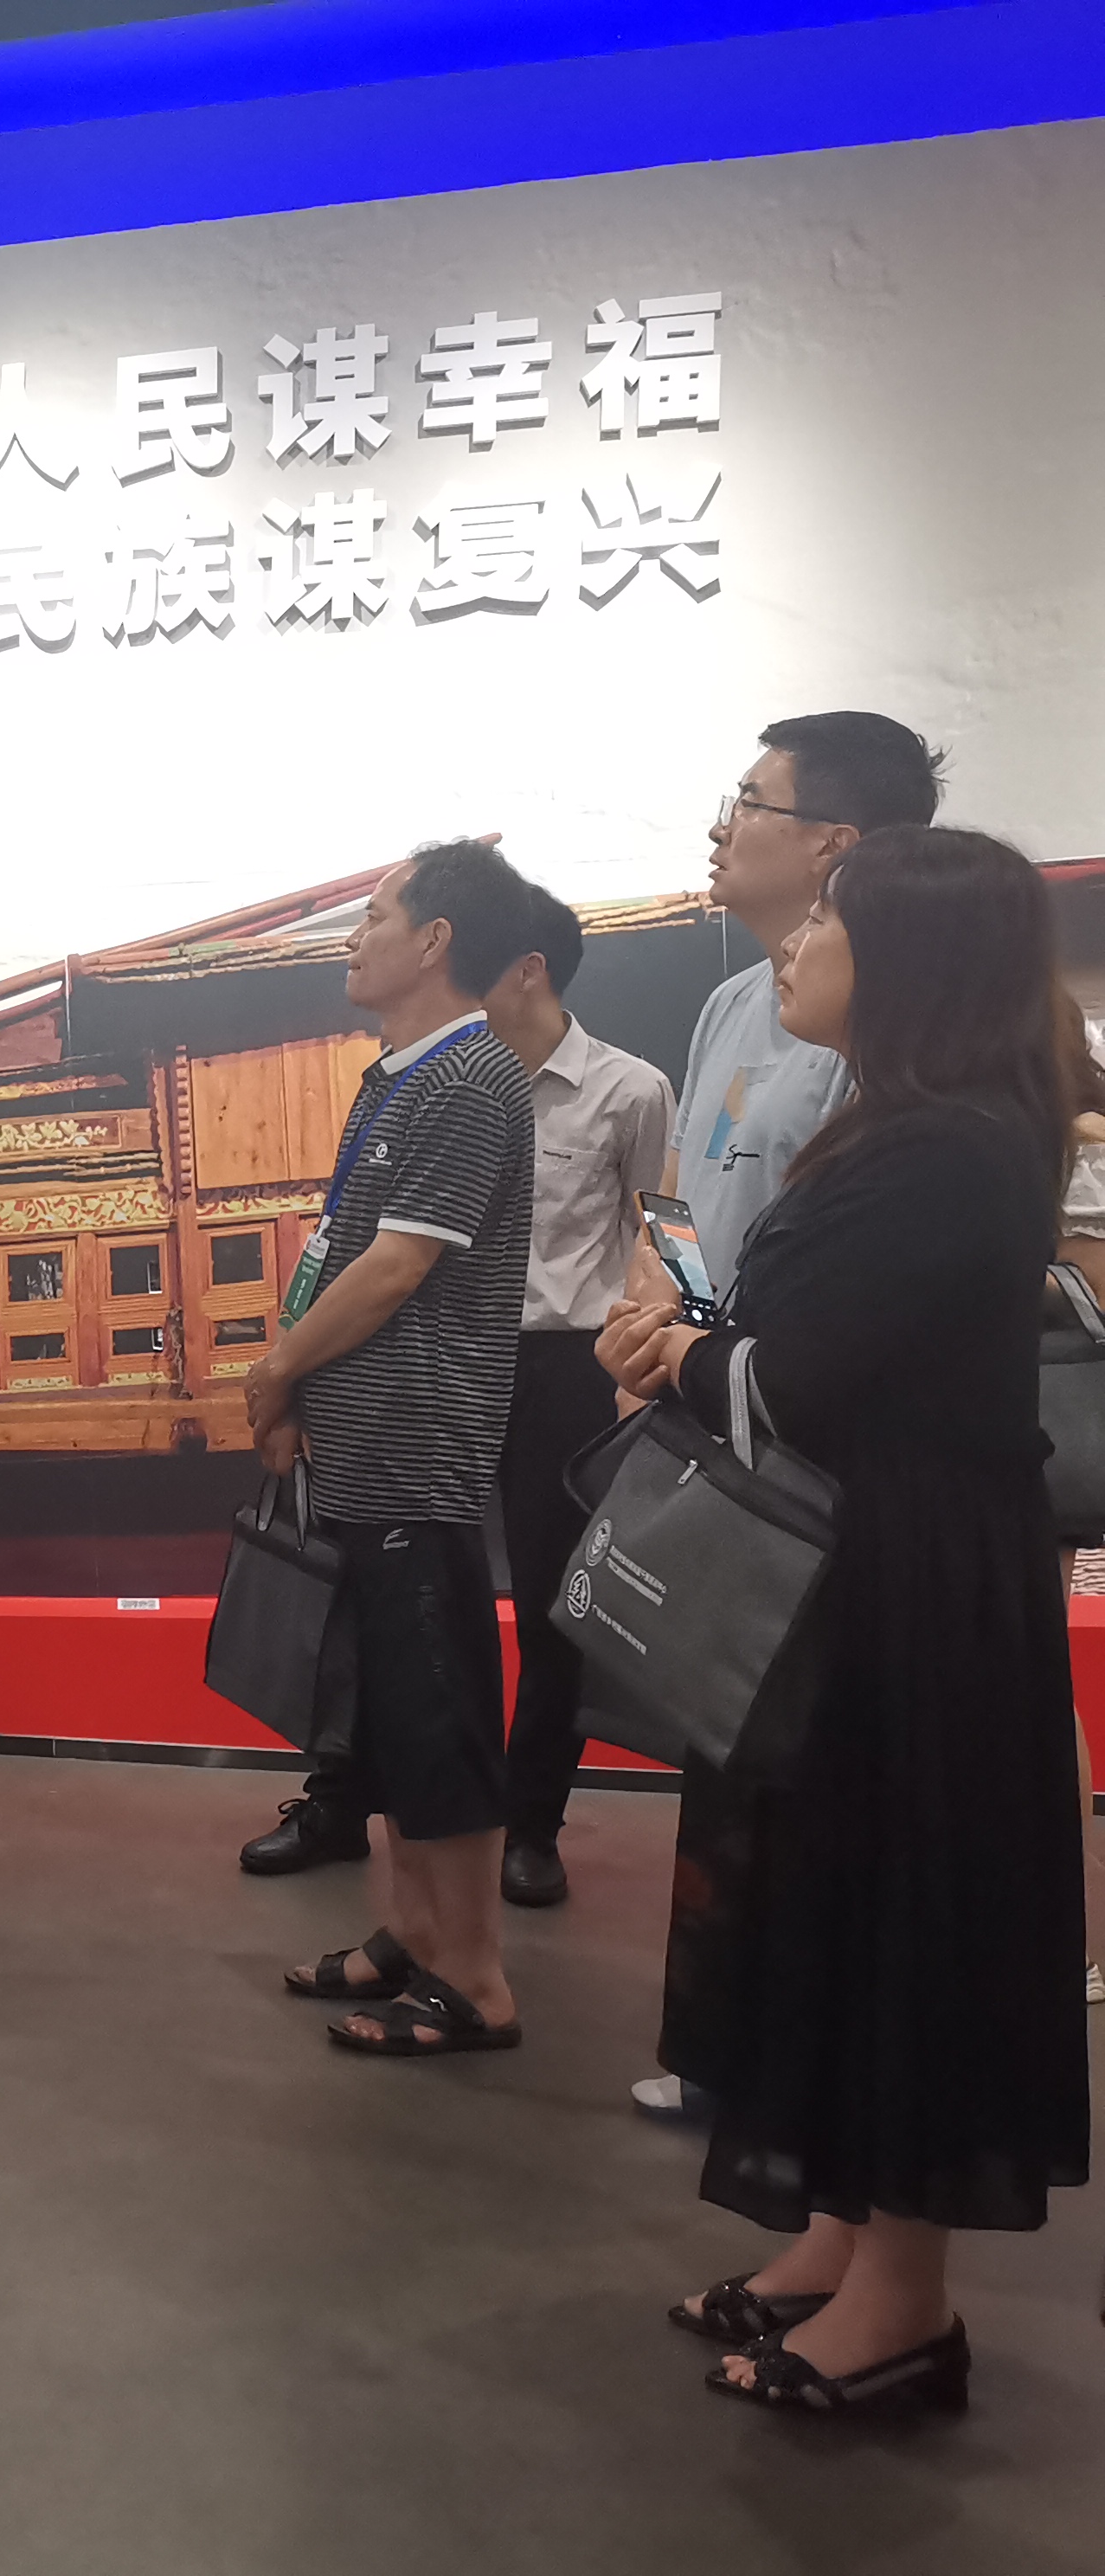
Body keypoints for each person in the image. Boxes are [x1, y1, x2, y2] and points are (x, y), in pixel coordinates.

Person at [602, 828, 1089, 2417]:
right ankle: (834, 2238)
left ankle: (904, 2306)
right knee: (825, 1902)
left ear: (913, 961)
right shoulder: (910, 1126)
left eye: (827, 920)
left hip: (907, 1594)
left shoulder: (947, 1149)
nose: (794, 947)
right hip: (861, 1575)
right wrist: (699, 1344)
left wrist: (674, 1352)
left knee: (897, 1916)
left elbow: (798, 1381)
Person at [624, 710, 947, 2114]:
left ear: (833, 845)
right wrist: (658, 1310)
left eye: (748, 801)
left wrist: (702, 1349)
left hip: (822, 1431)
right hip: (716, 1404)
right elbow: (687, 1202)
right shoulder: (725, 1007)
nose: (720, 826)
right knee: (726, 1740)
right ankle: (722, 2051)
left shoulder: (890, 1028)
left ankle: (804, 2071)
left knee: (818, 1760)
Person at [241, 841, 536, 2058]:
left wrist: (276, 1368)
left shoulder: (467, 1079)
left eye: (373, 916)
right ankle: (411, 1933)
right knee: (390, 1721)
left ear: (434, 941)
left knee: (439, 1718)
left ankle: (475, 1979)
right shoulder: (397, 1077)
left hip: (417, 1451)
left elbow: (396, 1266)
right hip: (366, 1450)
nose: (352, 938)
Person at [480, 887, 673, 1909]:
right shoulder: (448, 1081)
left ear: (530, 969)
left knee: (552, 1605)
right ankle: (370, 1798)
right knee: (409, 1583)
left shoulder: (628, 1089)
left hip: (561, 1368)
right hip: (447, 1358)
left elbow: (652, 1232)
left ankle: (530, 1825)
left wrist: (638, 1370)